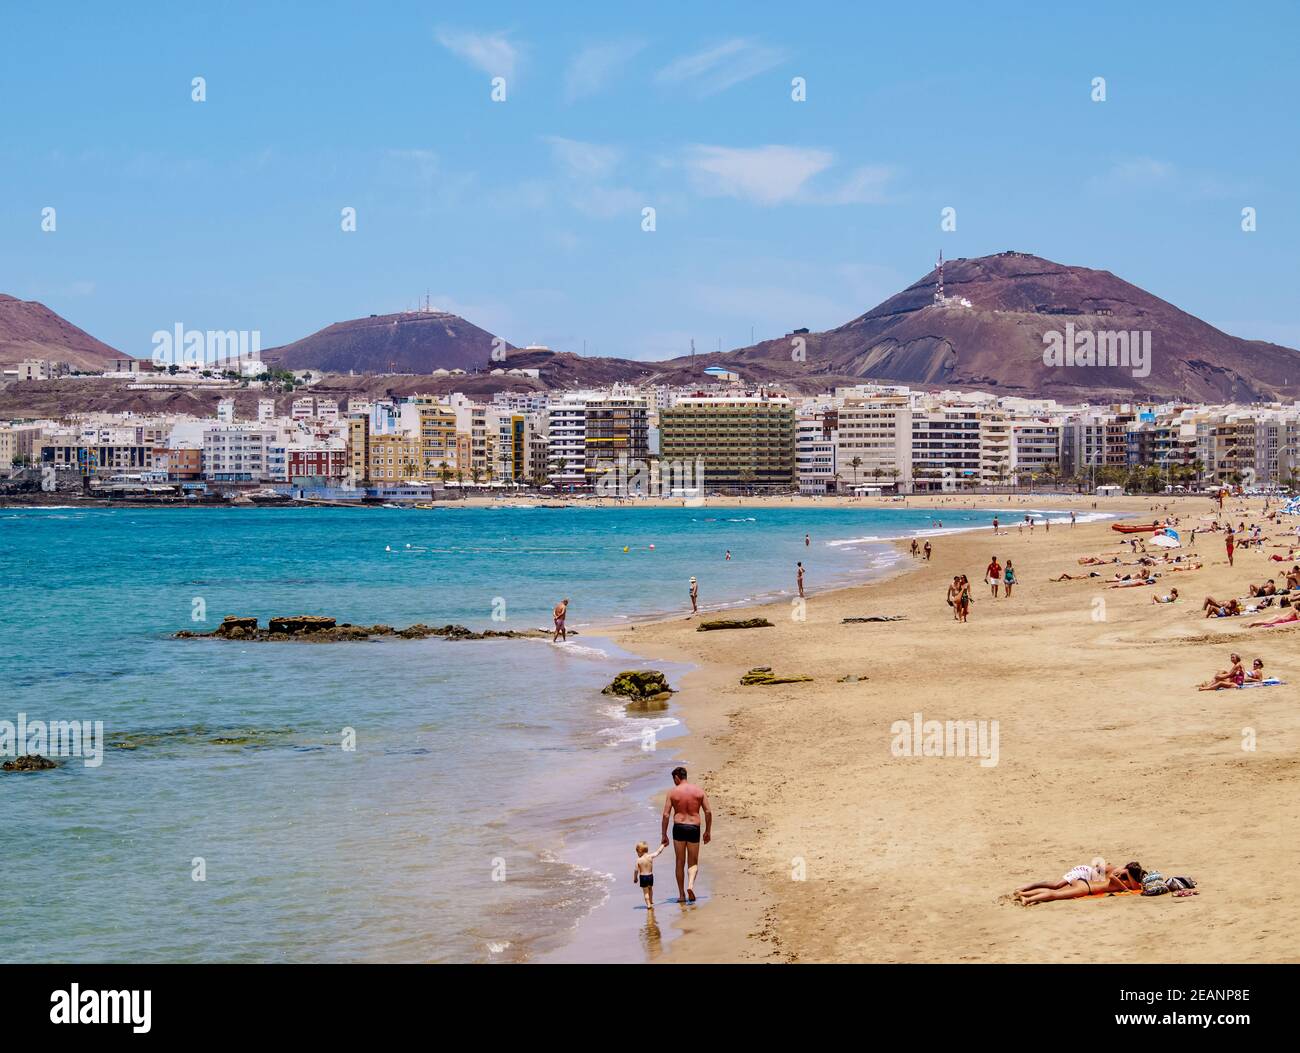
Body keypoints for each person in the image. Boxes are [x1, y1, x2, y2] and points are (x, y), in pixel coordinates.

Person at [661, 766, 712, 903]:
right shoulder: (699, 791)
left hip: (679, 827)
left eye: (674, 779)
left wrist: (664, 834)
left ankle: (682, 895)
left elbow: (666, 814)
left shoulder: (672, 793)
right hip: (694, 828)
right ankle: (690, 885)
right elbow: (708, 812)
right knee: (693, 862)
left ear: (677, 777)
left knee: (679, 861)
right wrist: (708, 831)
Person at [1015, 860, 1145, 905]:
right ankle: (1028, 899)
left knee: (1055, 890)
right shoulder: (1121, 880)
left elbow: (1134, 887)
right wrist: (1125, 888)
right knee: (1055, 894)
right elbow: (1113, 878)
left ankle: (1023, 893)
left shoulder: (1124, 879)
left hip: (1084, 881)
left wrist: (1127, 875)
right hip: (1085, 886)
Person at [633, 840, 667, 909]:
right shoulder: (650, 856)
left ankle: (648, 904)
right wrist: (663, 845)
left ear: (639, 851)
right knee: (650, 889)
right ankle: (651, 901)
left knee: (645, 892)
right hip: (650, 876)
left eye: (637, 852)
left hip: (643, 877)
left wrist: (635, 878)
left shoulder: (638, 860)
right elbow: (658, 852)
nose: (637, 854)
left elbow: (636, 870)